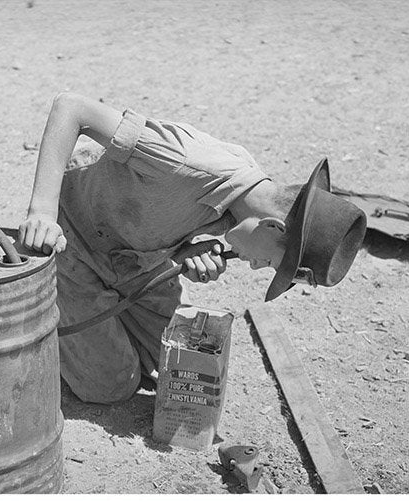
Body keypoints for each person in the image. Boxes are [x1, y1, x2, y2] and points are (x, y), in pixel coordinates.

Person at [18, 92, 367, 404]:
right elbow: (72, 108)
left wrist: (183, 249)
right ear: (273, 226)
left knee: (184, 361)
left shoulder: (243, 206)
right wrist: (42, 213)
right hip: (72, 239)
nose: (257, 267)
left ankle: (103, 322)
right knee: (111, 386)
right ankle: (54, 311)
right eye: (270, 261)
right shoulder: (188, 161)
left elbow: (164, 219)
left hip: (132, 259)